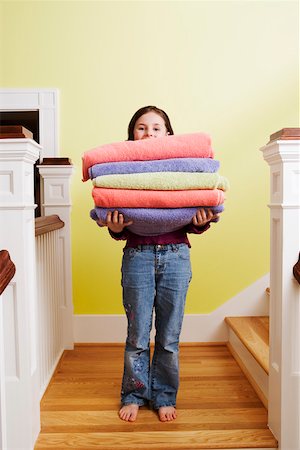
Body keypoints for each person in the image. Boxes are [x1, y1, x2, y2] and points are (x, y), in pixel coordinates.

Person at [98, 106, 218, 422]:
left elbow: (191, 214)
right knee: (137, 335)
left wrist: (200, 220)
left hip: (176, 256)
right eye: (141, 127)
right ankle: (134, 394)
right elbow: (116, 221)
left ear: (168, 135)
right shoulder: (122, 171)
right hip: (137, 256)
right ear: (131, 134)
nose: (148, 133)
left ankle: (164, 395)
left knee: (168, 336)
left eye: (156, 127)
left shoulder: (182, 171)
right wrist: (115, 226)